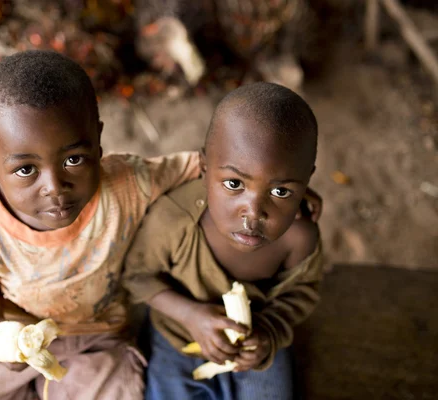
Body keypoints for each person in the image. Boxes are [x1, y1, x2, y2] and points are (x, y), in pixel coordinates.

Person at [0, 49, 205, 400]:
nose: (55, 187)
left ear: (98, 140)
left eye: (74, 159)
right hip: (11, 323)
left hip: (96, 332)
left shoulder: (130, 182)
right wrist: (0, 329)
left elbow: (202, 164)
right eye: (26, 169)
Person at [123, 82, 324, 400]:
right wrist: (190, 315)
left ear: (306, 182)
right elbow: (135, 276)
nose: (254, 213)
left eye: (280, 191)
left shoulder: (299, 237)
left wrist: (268, 333)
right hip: (178, 333)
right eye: (234, 183)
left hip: (256, 343)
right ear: (204, 169)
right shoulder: (175, 220)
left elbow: (299, 295)